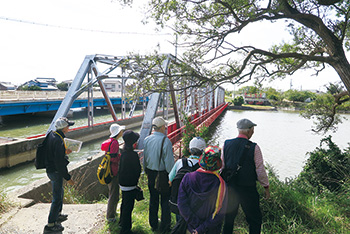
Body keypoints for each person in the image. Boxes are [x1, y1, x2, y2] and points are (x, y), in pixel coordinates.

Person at [222, 118, 270, 234]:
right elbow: (260, 169)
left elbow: (222, 166)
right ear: (249, 131)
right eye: (253, 130)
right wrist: (266, 187)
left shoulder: (226, 144)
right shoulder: (254, 147)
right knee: (254, 219)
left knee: (228, 219)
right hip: (248, 189)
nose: (253, 132)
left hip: (230, 188)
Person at [178, 145, 227, 234]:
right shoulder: (221, 184)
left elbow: (182, 204)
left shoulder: (188, 177)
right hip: (211, 230)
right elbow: (220, 213)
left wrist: (195, 225)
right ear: (218, 163)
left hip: (191, 228)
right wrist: (201, 228)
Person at [143, 116, 175, 232]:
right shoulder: (165, 141)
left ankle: (153, 224)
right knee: (165, 200)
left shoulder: (147, 139)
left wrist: (145, 171)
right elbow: (170, 163)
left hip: (151, 173)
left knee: (153, 199)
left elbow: (145, 158)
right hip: (163, 174)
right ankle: (165, 225)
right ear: (162, 127)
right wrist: (172, 177)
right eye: (165, 127)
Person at [44, 117, 75, 232]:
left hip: (51, 169)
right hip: (55, 171)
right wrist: (68, 178)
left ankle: (58, 215)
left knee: (60, 192)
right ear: (63, 128)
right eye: (68, 126)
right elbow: (59, 163)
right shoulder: (58, 140)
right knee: (57, 198)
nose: (69, 127)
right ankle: (51, 224)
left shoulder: (52, 135)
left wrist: (64, 151)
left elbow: (52, 153)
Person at [168, 137, 206, 221]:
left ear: (189, 150)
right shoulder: (204, 166)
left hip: (180, 202)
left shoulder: (180, 162)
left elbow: (170, 181)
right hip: (197, 204)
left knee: (180, 225)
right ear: (203, 151)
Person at [101, 123, 125, 222]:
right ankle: (110, 216)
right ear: (118, 132)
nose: (122, 132)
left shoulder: (110, 142)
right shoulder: (114, 143)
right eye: (121, 131)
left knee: (112, 192)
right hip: (113, 171)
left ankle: (112, 213)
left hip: (109, 171)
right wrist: (122, 157)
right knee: (114, 194)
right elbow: (114, 158)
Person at [118, 130, 141, 234]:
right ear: (133, 143)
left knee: (124, 203)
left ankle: (121, 223)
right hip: (130, 184)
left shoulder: (123, 153)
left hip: (122, 183)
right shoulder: (133, 155)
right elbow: (137, 170)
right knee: (128, 206)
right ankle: (126, 229)